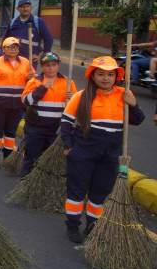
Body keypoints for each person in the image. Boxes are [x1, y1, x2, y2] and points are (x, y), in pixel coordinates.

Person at [61, 56, 144, 243]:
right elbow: (66, 122)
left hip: (110, 154)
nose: (106, 78)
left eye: (110, 74)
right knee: (76, 190)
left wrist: (133, 105)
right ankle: (72, 225)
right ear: (93, 76)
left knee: (100, 191)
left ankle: (92, 224)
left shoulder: (124, 95)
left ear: (116, 76)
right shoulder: (81, 96)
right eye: (101, 74)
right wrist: (68, 146)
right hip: (83, 152)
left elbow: (138, 120)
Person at [21, 52, 77, 176]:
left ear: (58, 65)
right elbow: (26, 101)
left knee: (48, 159)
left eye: (53, 65)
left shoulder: (68, 83)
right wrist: (42, 88)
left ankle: (41, 182)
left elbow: (75, 108)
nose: (51, 68)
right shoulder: (35, 81)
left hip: (56, 129)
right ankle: (25, 182)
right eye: (47, 65)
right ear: (42, 66)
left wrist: (73, 98)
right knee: (31, 156)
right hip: (35, 127)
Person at [0, 37, 34, 169]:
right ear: (4, 49)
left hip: (17, 105)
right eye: (10, 47)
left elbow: (33, 83)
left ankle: (7, 156)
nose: (13, 49)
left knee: (10, 133)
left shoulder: (26, 63)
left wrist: (31, 78)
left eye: (16, 47)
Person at [3, 0, 53, 66]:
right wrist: (3, 53)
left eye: (27, 6)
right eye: (23, 7)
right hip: (13, 58)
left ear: (31, 8)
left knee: (29, 76)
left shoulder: (38, 22)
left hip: (30, 60)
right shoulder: (13, 22)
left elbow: (48, 39)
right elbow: (5, 39)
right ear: (18, 9)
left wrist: (42, 55)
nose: (25, 9)